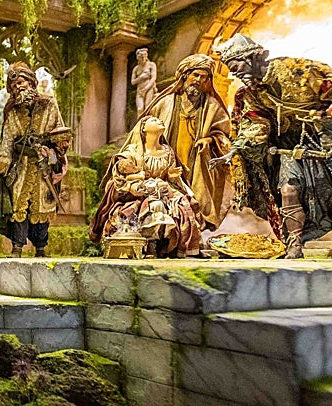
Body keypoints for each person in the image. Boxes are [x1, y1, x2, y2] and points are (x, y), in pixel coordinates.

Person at [215, 34, 332, 258]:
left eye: (237, 67)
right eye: (232, 70)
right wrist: (238, 149)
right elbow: (257, 121)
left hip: (324, 139)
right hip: (288, 145)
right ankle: (294, 244)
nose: (236, 74)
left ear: (252, 58)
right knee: (288, 190)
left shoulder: (297, 69)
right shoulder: (253, 93)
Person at [90, 116, 202, 257]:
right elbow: (121, 173)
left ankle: (171, 244)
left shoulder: (168, 151)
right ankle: (150, 244)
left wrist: (170, 176)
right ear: (143, 128)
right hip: (142, 190)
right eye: (154, 120)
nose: (160, 121)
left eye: (159, 120)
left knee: (183, 205)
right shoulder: (133, 151)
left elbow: (169, 178)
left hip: (163, 188)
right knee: (155, 205)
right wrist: (135, 176)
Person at [144, 54, 232, 231]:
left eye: (204, 77)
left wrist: (209, 140)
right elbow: (145, 129)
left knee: (196, 199)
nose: (199, 80)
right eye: (195, 75)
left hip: (197, 163)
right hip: (168, 160)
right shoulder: (165, 103)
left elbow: (224, 134)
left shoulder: (212, 106)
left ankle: (193, 232)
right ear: (185, 75)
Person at [0, 62, 67, 257]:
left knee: (43, 205)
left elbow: (60, 132)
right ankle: (17, 247)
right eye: (14, 86)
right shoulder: (12, 111)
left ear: (31, 82)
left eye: (20, 82)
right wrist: (2, 164)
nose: (18, 87)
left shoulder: (49, 103)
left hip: (44, 163)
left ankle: (41, 248)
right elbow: (8, 138)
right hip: (21, 164)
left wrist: (54, 152)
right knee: (18, 205)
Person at [131, 48, 158, 116]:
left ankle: (147, 121)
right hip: (140, 89)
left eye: (144, 57)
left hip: (149, 88)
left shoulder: (151, 65)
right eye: (141, 57)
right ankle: (140, 122)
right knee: (140, 108)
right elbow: (133, 82)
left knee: (147, 106)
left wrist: (146, 89)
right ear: (138, 58)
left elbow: (153, 78)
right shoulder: (136, 68)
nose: (143, 59)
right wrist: (140, 78)